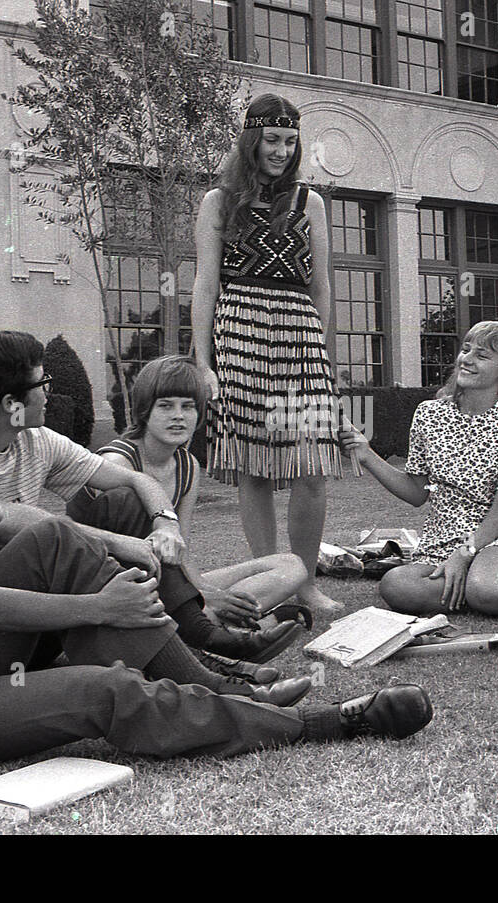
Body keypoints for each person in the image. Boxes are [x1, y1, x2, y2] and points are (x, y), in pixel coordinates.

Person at [0, 348, 432, 768]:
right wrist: (100, 604)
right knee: (106, 693)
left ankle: (215, 681)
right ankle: (315, 724)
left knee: (54, 539)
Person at [0, 331, 299, 671]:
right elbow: (7, 522)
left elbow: (134, 479)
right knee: (53, 535)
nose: (49, 391)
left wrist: (165, 520)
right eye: (43, 382)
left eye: (188, 406)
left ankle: (198, 639)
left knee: (126, 500)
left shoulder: (33, 440)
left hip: (41, 615)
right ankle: (200, 650)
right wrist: (122, 542)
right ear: (10, 403)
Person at [191, 93, 346, 621]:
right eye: (271, 140)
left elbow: (322, 286)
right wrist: (204, 361)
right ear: (251, 142)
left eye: (289, 140)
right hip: (239, 335)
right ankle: (271, 581)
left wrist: (321, 355)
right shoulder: (219, 201)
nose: (281, 150)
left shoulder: (311, 204)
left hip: (300, 337)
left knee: (312, 466)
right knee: (253, 467)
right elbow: (204, 286)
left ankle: (303, 582)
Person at [67, 355, 311, 668]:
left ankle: (218, 620)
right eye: (165, 406)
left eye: (188, 406)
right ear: (144, 410)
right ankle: (227, 624)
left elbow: (180, 548)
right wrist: (198, 598)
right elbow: (114, 557)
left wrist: (203, 592)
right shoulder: (118, 463)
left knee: (292, 565)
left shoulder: (187, 465)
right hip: (114, 584)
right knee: (196, 601)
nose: (178, 416)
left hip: (165, 581)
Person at [339, 321, 498, 617]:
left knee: (486, 589)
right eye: (466, 350)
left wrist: (464, 556)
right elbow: (416, 492)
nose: (468, 359)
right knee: (395, 585)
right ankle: (480, 589)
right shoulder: (428, 414)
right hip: (440, 539)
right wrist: (365, 454)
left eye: (482, 356)